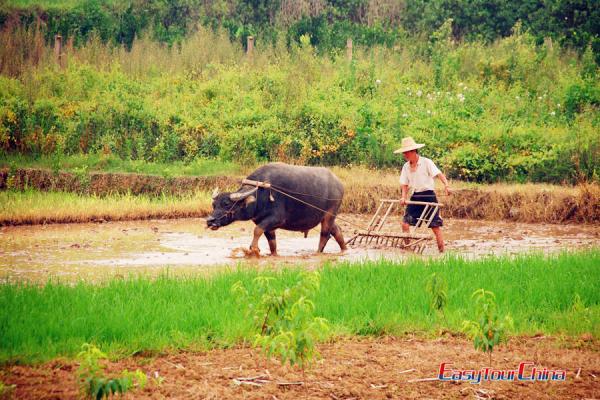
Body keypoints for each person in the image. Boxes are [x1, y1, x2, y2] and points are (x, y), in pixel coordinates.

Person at [394, 137, 451, 252]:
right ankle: (408, 248)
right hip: (415, 197)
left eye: (406, 152)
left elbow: (439, 174)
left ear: (413, 151)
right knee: (405, 223)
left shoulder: (426, 162)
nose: (404, 155)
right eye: (404, 152)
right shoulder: (406, 166)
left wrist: (446, 185)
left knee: (435, 226)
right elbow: (404, 184)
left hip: (429, 196)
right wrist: (404, 197)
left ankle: (442, 251)